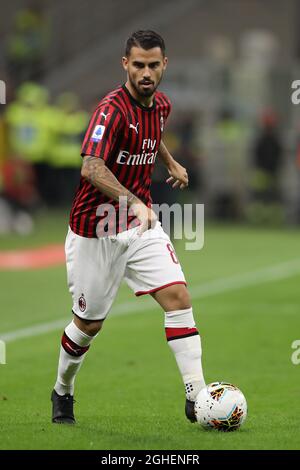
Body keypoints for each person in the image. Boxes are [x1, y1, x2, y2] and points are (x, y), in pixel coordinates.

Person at [51, 30, 205, 424]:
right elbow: (91, 166)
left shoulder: (162, 106)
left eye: (154, 65)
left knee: (178, 297)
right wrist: (134, 202)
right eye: (138, 65)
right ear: (125, 64)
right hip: (95, 229)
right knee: (89, 325)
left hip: (139, 227)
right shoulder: (110, 110)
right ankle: (62, 391)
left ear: (164, 64)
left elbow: (151, 135)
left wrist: (168, 162)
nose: (146, 73)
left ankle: (197, 396)